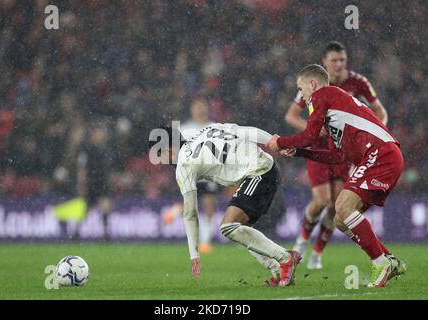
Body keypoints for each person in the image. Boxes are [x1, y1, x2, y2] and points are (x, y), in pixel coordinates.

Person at [267, 64, 406, 288]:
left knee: (342, 206)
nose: (302, 96)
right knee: (341, 220)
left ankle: (380, 262)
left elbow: (310, 135)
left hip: (380, 154)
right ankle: (388, 259)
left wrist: (280, 142)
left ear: (312, 84)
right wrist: (300, 152)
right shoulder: (336, 113)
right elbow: (337, 156)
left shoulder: (322, 95)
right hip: (383, 156)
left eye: (301, 90)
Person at [149, 123, 300, 287]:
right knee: (241, 230)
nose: (163, 162)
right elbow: (246, 132)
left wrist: (194, 254)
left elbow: (190, 213)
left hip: (259, 172)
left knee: (227, 226)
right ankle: (278, 272)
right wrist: (274, 141)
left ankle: (285, 258)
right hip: (266, 167)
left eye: (161, 156)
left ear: (168, 150)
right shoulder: (208, 129)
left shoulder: (184, 165)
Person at [285, 41, 388, 269]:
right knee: (321, 201)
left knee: (336, 205)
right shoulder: (313, 86)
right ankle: (301, 244)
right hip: (320, 147)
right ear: (324, 62)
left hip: (344, 151)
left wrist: (370, 136)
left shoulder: (358, 82)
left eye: (342, 59)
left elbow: (381, 112)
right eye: (334, 60)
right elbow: (291, 116)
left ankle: (317, 254)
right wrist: (313, 126)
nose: (339, 64)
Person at [163, 97, 218, 254]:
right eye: (197, 106)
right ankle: (177, 210)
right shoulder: (184, 129)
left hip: (208, 173)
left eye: (203, 106)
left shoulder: (214, 127)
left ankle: (205, 242)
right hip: (189, 172)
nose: (200, 109)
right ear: (192, 110)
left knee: (209, 205)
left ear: (207, 108)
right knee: (191, 206)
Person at [76, 126, 113, 240]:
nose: (101, 136)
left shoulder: (106, 150)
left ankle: (106, 235)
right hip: (91, 183)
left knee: (106, 207)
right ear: (93, 136)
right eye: (98, 133)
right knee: (86, 208)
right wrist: (81, 184)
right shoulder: (86, 151)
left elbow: (108, 169)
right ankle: (76, 233)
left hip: (103, 182)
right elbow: (82, 168)